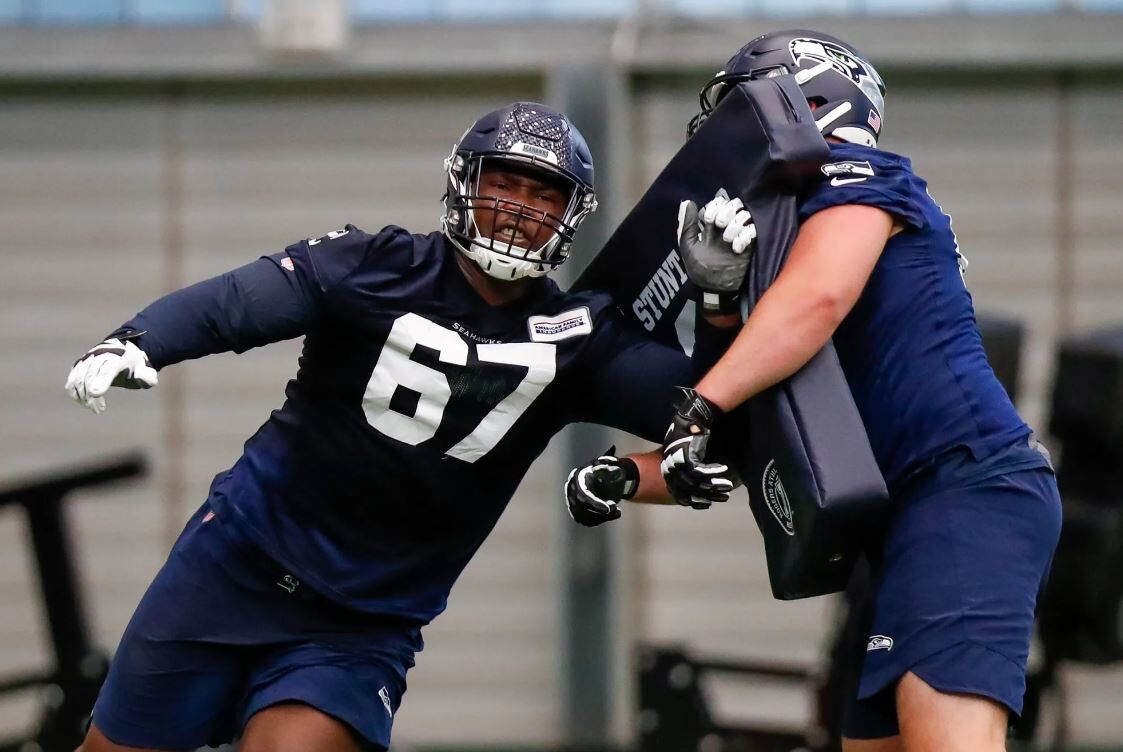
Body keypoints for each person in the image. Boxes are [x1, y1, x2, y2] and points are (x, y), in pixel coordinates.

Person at [64, 101, 734, 752]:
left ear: (569, 216)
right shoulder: (371, 265)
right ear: (462, 182)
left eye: (542, 194)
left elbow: (710, 415)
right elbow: (238, 302)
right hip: (234, 566)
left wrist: (717, 306)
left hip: (360, 624)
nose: (517, 208)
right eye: (501, 181)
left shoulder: (580, 339)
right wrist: (140, 340)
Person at [660, 31, 1062, 752]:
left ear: (807, 100)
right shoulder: (793, 228)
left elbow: (816, 302)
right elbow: (736, 437)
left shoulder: (858, 171)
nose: (725, 132)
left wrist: (700, 403)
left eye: (742, 107)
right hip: (909, 518)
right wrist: (719, 307)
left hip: (964, 488)